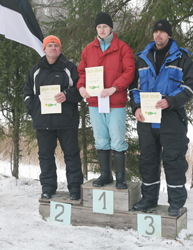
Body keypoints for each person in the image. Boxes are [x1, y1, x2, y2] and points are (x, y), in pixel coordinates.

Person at [129, 19, 193, 216]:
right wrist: (136, 108)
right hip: (147, 119)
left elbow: (191, 87)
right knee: (148, 159)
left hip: (171, 118)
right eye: (156, 32)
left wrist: (170, 100)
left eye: (162, 32)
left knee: (174, 160)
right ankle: (149, 199)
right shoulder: (143, 57)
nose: (158, 35)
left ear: (169, 35)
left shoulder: (182, 58)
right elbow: (134, 87)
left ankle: (176, 203)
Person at [77, 12, 135, 189]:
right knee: (100, 139)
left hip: (115, 101)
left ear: (111, 28)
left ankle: (121, 178)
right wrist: (81, 87)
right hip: (95, 103)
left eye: (105, 26)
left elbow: (130, 72)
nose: (102, 30)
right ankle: (105, 175)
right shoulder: (88, 49)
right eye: (99, 27)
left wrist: (114, 88)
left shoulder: (123, 48)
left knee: (117, 139)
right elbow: (81, 72)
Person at [24, 35, 83, 200]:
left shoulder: (69, 68)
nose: (53, 48)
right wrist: (33, 110)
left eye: (56, 46)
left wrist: (66, 95)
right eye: (50, 45)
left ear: (60, 49)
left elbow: (80, 91)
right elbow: (28, 93)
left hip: (67, 122)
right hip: (43, 122)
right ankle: (48, 188)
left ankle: (75, 189)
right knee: (45, 156)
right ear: (44, 49)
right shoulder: (35, 71)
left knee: (71, 156)